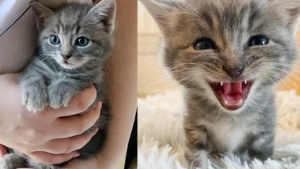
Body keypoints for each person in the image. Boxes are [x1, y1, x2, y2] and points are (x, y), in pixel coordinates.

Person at [0, 0, 137, 168]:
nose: (65, 53)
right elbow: (32, 73)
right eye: (55, 39)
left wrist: (100, 162)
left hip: (78, 154)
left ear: (105, 25)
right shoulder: (42, 62)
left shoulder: (90, 72)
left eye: (81, 41)